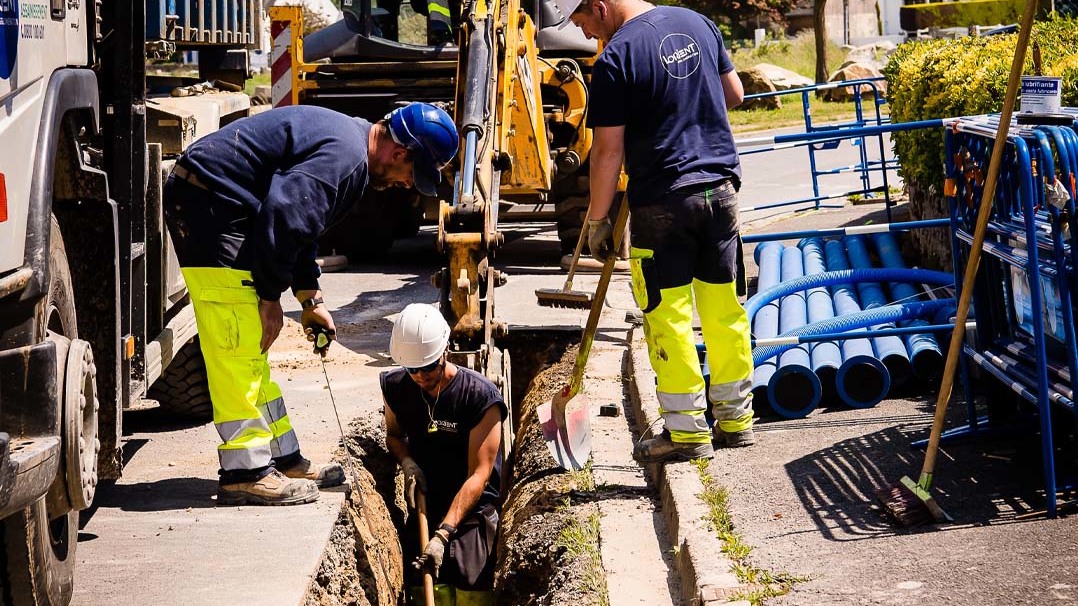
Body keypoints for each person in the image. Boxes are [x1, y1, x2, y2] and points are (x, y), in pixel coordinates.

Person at [164, 103, 459, 505]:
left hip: (226, 207)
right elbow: (284, 215)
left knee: (250, 349)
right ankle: (245, 473)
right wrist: (269, 298)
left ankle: (281, 459)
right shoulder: (345, 158)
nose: (407, 185)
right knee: (236, 344)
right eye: (411, 174)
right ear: (400, 153)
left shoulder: (350, 151)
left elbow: (300, 227)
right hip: (210, 207)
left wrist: (309, 298)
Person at [559, 0, 755, 462]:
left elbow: (607, 152)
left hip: (664, 199)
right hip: (720, 191)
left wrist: (597, 221)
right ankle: (736, 419)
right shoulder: (699, 23)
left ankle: (687, 433)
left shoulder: (616, 57)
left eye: (583, 22)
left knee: (668, 315)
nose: (586, 35)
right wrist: (686, 107)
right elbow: (734, 94)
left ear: (600, 7)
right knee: (723, 307)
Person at [381, 304, 505, 606]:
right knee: (422, 589)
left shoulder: (480, 398)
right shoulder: (397, 387)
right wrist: (407, 462)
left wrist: (444, 534)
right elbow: (394, 435)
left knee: (470, 589)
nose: (420, 376)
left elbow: (480, 473)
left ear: (445, 352)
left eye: (427, 367)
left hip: (473, 514)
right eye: (412, 369)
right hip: (427, 505)